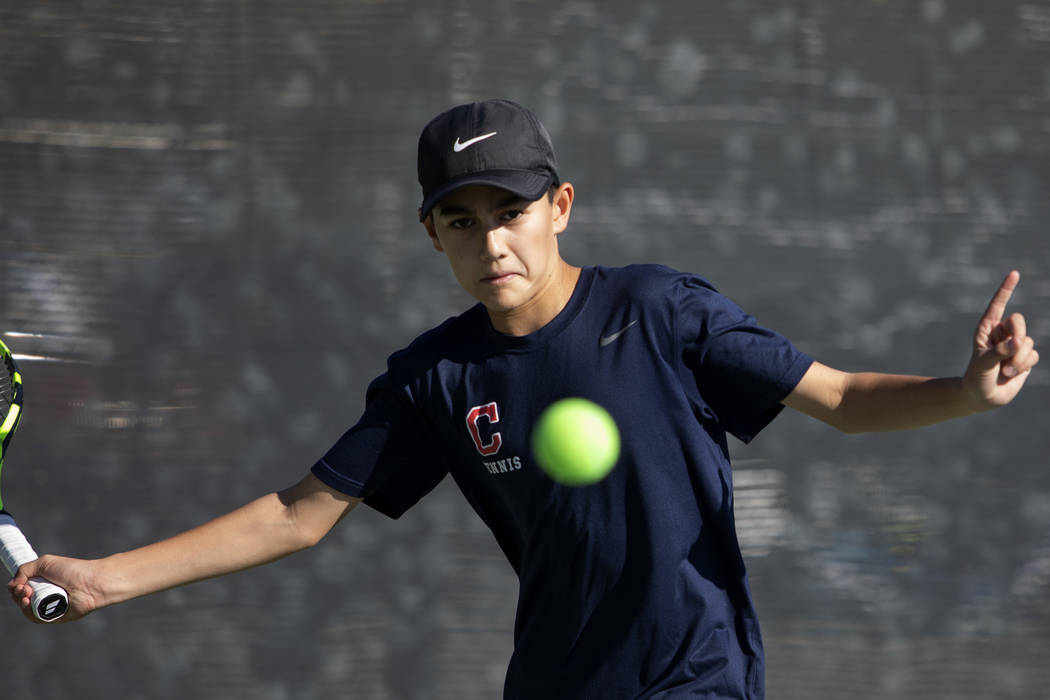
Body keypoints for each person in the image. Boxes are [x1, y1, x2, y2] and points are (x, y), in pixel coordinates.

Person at [8, 99, 1039, 698]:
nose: (490, 239)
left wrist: (967, 390)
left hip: (698, 679)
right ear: (433, 236)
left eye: (510, 211)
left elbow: (845, 397)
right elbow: (297, 514)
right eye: (460, 220)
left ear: (560, 208)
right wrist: (105, 580)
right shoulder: (437, 377)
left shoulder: (664, 311)